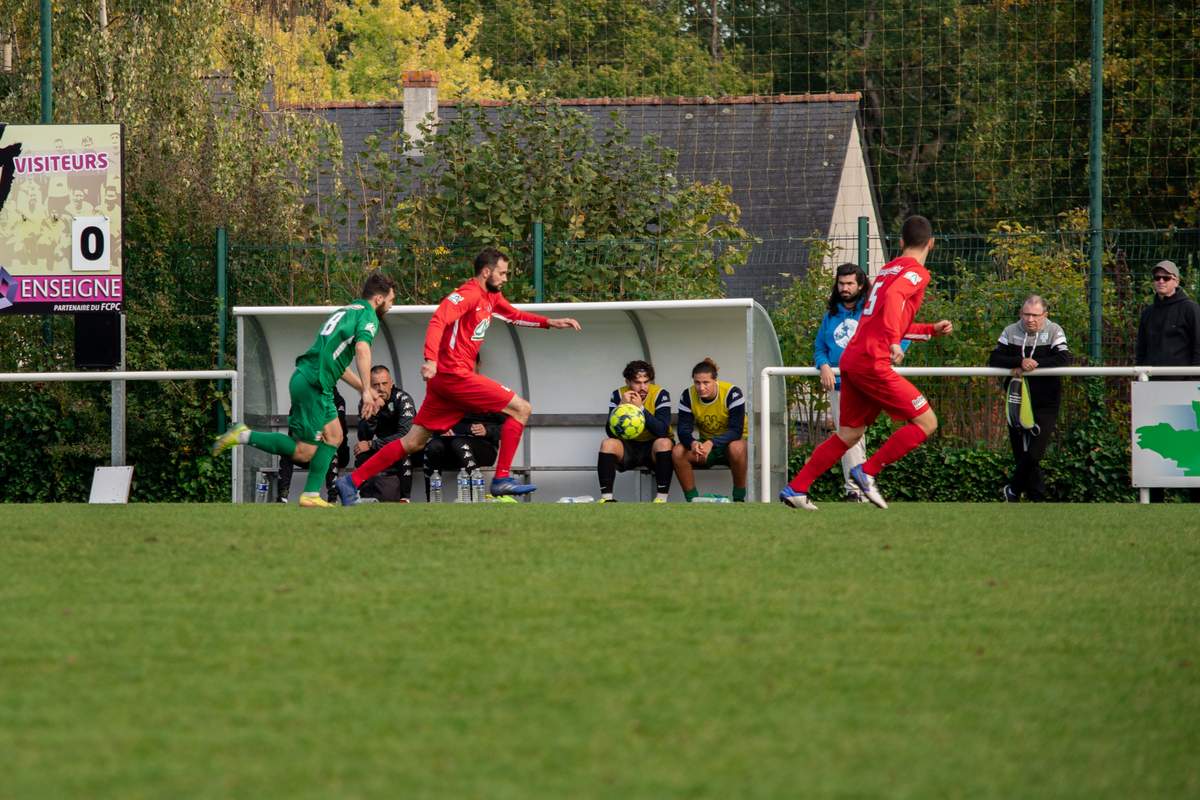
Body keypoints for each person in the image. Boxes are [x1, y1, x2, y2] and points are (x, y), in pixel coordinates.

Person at [336, 248, 581, 503]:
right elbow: (438, 320)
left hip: (447, 384)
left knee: (412, 442)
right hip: (454, 375)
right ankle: (501, 479)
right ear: (486, 272)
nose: (505, 278)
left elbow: (514, 316)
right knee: (521, 408)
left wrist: (549, 322)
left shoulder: (491, 297)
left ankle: (350, 482)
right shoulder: (468, 294)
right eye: (502, 273)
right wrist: (431, 359)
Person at [780, 215, 953, 511]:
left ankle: (797, 488)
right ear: (931, 244)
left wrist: (928, 331)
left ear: (900, 243)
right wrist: (894, 342)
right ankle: (867, 471)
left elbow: (881, 320)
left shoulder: (887, 270)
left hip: (853, 360)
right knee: (927, 422)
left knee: (849, 433)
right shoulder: (916, 273)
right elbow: (895, 306)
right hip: (873, 362)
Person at [212, 272, 394, 507]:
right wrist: (368, 390)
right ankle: (243, 434)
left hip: (315, 382)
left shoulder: (348, 311)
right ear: (379, 299)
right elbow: (362, 350)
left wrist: (363, 389)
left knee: (335, 436)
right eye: (391, 300)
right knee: (304, 452)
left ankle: (310, 495)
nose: (391, 306)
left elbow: (338, 365)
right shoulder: (369, 317)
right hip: (312, 383)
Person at [814, 263, 910, 502]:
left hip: (870, 380)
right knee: (849, 436)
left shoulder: (872, 310)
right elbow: (819, 349)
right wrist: (824, 365)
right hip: (840, 385)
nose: (845, 288)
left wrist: (894, 353)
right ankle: (856, 490)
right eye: (841, 283)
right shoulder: (831, 315)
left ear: (860, 285)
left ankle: (859, 487)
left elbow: (901, 332)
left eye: (850, 284)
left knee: (913, 424)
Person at [987, 295, 1072, 502]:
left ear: (1045, 315)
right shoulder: (1010, 330)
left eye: (1035, 315)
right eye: (1026, 314)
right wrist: (1019, 361)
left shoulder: (1054, 330)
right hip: (1016, 399)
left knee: (1034, 453)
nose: (1030, 319)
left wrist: (1034, 364)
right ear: (1020, 314)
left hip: (1046, 402)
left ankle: (1013, 489)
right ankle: (1037, 498)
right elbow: (994, 358)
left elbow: (1064, 358)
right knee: (1021, 454)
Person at [1135, 259, 1200, 502]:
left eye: (1166, 277)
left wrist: (1194, 383)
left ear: (1177, 280)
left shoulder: (1190, 309)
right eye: (1157, 278)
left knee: (1191, 448)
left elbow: (1198, 347)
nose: (1161, 281)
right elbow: (1140, 350)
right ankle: (1155, 500)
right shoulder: (1148, 313)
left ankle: (1195, 501)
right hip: (1153, 391)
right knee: (1156, 447)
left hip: (1185, 390)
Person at [597, 360, 674, 503]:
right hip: (629, 446)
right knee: (607, 444)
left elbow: (662, 430)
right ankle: (607, 499)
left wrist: (641, 409)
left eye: (646, 382)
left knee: (664, 442)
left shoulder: (660, 394)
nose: (643, 387)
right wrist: (621, 406)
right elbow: (611, 432)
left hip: (653, 447)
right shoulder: (618, 395)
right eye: (637, 382)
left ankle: (661, 499)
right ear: (628, 382)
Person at [672, 358, 748, 502]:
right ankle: (692, 501)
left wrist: (711, 443)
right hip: (707, 445)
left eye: (706, 382)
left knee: (736, 447)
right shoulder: (688, 395)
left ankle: (739, 499)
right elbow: (683, 430)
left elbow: (736, 431)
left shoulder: (732, 393)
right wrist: (693, 444)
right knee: (678, 451)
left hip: (733, 445)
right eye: (697, 383)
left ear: (715, 381)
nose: (701, 388)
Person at [354, 365, 417, 502]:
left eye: (384, 383)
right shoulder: (367, 402)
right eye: (375, 385)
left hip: (410, 446)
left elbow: (405, 435)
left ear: (391, 383)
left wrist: (372, 444)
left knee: (403, 452)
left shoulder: (403, 399)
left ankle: (404, 499)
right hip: (384, 447)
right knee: (361, 455)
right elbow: (364, 437)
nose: (381, 388)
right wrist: (373, 414)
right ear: (369, 386)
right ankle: (363, 496)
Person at [277, 387, 350, 503]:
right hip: (306, 449)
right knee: (286, 450)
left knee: (330, 446)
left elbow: (338, 432)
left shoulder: (337, 400)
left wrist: (320, 433)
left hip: (333, 449)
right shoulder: (301, 399)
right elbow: (293, 431)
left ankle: (333, 499)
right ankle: (282, 497)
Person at [421, 412, 504, 500]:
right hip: (452, 443)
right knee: (432, 446)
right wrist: (441, 429)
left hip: (484, 447)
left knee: (460, 444)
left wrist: (488, 430)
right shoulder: (451, 398)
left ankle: (475, 499)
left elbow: (510, 426)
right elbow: (434, 420)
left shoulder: (494, 399)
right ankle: (431, 501)